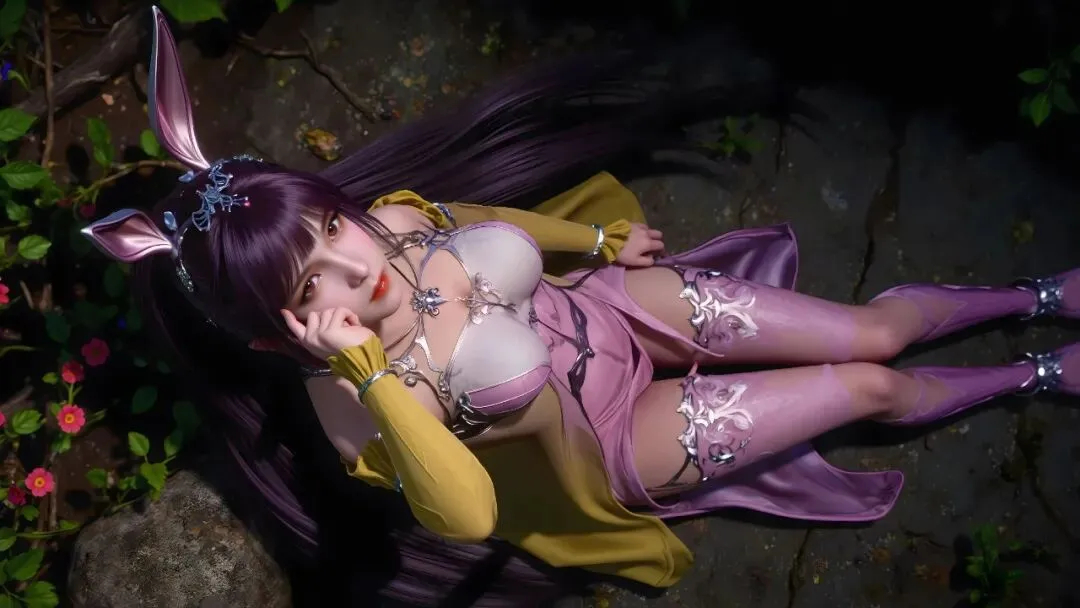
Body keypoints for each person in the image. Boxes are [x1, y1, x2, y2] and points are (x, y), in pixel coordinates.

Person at [83, 6, 1079, 607]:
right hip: (616, 437)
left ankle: (1032, 293)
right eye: (311, 287)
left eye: (330, 226)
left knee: (873, 328)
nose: (355, 267)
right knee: (869, 385)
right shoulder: (353, 409)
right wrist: (369, 370)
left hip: (618, 308)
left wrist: (595, 242)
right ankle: (1029, 374)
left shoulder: (392, 220)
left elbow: (483, 218)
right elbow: (467, 513)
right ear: (278, 333)